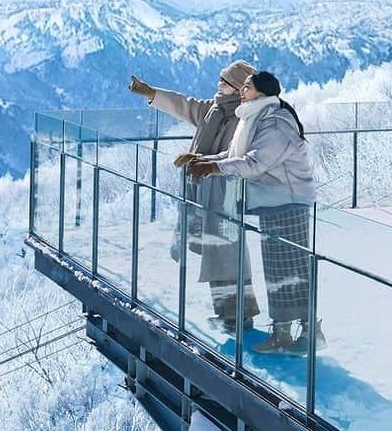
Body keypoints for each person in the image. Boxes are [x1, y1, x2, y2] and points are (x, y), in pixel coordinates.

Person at [185, 71, 322, 356]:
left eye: (247, 86)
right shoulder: (254, 118)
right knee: (277, 268)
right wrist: (203, 160)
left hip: (289, 200)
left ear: (261, 92)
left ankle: (310, 333)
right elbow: (235, 153)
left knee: (292, 268)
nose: (242, 89)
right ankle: (283, 333)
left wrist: (211, 168)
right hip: (272, 201)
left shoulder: (276, 123)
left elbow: (255, 163)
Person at [129, 62, 260, 334]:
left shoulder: (243, 118)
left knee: (227, 255)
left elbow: (237, 158)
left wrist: (201, 161)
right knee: (215, 254)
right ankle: (227, 314)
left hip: (225, 194)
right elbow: (183, 104)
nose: (218, 85)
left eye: (224, 82)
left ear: (237, 88)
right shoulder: (213, 110)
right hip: (205, 191)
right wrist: (151, 93)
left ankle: (239, 317)